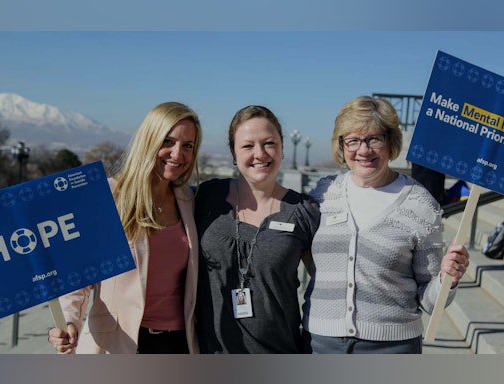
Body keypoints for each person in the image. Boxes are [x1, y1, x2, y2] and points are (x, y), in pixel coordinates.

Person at [301, 95, 470, 354]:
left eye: (374, 139)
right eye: (353, 140)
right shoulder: (323, 194)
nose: (364, 150)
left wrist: (448, 279)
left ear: (391, 143)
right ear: (341, 146)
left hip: (392, 348)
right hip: (319, 344)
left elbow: (430, 301)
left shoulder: (420, 204)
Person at [47, 101, 203, 354]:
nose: (177, 154)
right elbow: (77, 276)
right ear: (149, 140)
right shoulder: (108, 196)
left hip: (178, 344)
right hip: (115, 344)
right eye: (168, 141)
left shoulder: (190, 201)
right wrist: (68, 321)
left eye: (187, 146)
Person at [194, 105, 320, 353]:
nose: (260, 154)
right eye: (248, 146)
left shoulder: (304, 211)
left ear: (282, 147)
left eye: (269, 143)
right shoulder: (206, 198)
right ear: (233, 152)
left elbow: (325, 287)